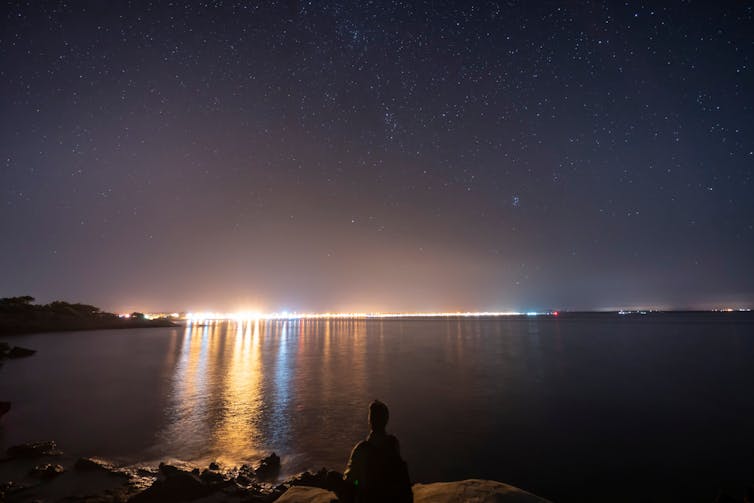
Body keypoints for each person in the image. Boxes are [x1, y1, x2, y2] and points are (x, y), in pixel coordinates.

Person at [341, 400, 413, 503]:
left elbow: (350, 479)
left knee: (333, 477)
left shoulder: (362, 448)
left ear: (370, 420)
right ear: (386, 420)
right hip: (390, 497)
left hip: (368, 498)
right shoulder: (393, 444)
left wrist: (357, 483)